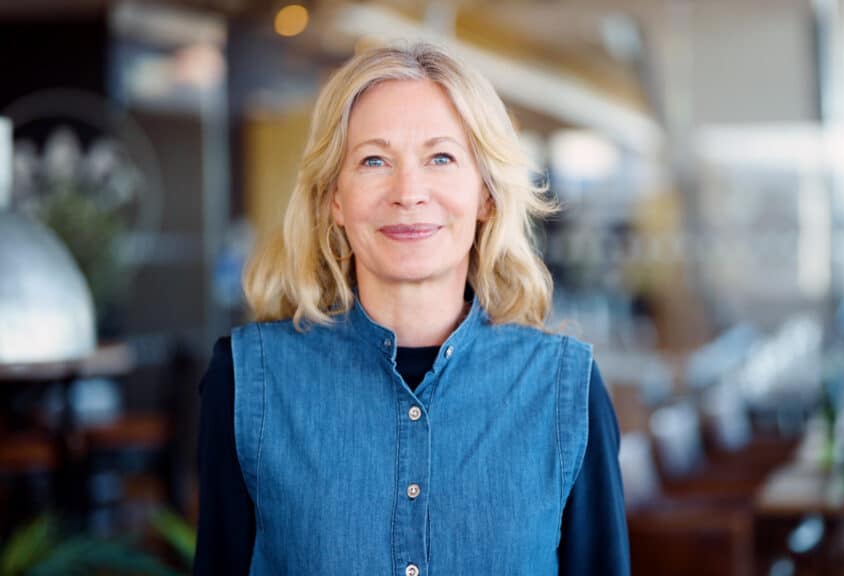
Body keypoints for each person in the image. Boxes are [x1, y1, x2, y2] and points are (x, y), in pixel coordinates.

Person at [194, 42, 629, 575]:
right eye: (374, 160)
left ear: (486, 194)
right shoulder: (246, 384)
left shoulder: (566, 390)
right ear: (334, 196)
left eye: (441, 158)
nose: (408, 191)